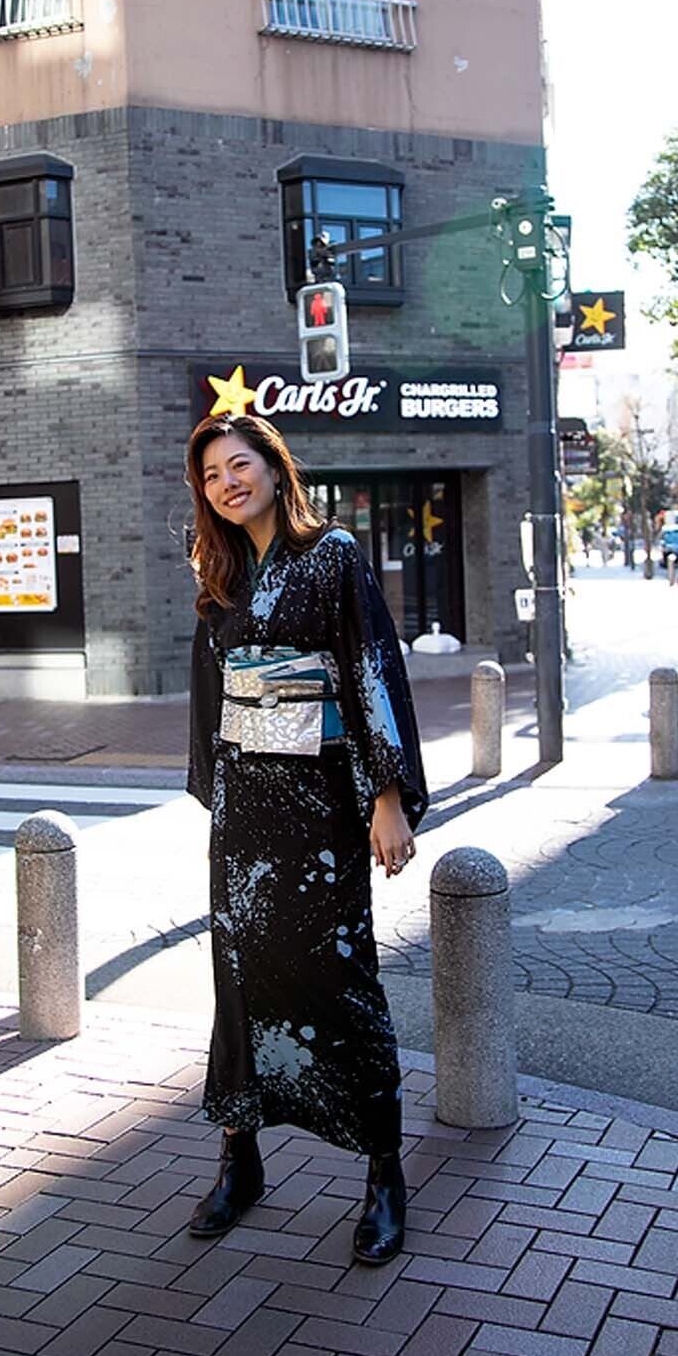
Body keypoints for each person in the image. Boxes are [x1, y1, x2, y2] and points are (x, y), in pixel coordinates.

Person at [185, 412, 428, 1266]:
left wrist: (386, 796)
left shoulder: (332, 555)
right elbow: (211, 696)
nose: (227, 483)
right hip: (245, 811)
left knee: (341, 980)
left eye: (238, 465)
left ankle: (385, 1171)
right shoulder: (218, 575)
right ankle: (240, 1157)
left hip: (320, 806)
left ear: (273, 467)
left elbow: (370, 669)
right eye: (211, 475)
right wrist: (216, 793)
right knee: (240, 982)